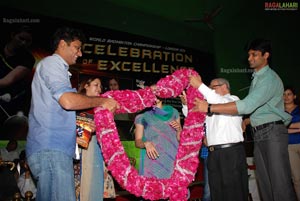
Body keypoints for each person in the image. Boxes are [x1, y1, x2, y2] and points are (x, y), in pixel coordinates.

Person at [191, 38, 296, 201]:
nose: (249, 58)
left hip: (272, 132)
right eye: (249, 55)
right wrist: (247, 121)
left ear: (266, 55)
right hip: (259, 133)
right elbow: (260, 108)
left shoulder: (268, 78)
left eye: (254, 54)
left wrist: (210, 108)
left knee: (279, 184)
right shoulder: (257, 78)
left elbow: (247, 106)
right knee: (265, 185)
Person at [26, 27, 119, 201]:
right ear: (62, 44)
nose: (80, 53)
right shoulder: (52, 64)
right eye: (77, 47)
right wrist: (102, 101)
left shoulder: (55, 69)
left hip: (54, 150)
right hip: (51, 149)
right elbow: (68, 102)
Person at [182, 78, 248, 201]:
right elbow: (193, 117)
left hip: (230, 152)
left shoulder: (233, 100)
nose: (210, 91)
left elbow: (218, 100)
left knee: (233, 192)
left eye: (213, 87)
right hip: (213, 154)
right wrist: (186, 105)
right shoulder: (210, 107)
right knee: (216, 192)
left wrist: (200, 85)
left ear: (224, 87)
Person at [134, 97, 181, 179]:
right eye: (150, 94)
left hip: (173, 158)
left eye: (156, 93)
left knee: (174, 189)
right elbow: (138, 142)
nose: (153, 96)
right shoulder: (143, 116)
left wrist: (180, 130)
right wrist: (146, 143)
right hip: (154, 159)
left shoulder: (173, 112)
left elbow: (180, 139)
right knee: (155, 189)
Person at [0, 25, 35, 124]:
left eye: (28, 41)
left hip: (8, 99)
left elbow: (7, 81)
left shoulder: (28, 59)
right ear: (13, 35)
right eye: (21, 38)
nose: (23, 43)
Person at [284, 86, 300, 200]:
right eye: (284, 94)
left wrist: (286, 127)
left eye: (289, 94)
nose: (286, 97)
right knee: (297, 178)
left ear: (294, 96)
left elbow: (283, 128)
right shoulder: (278, 112)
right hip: (289, 146)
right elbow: (279, 130)